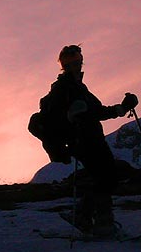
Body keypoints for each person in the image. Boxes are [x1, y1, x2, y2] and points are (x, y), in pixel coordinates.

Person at [45, 45, 137, 236]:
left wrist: (121, 108)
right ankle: (101, 222)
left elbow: (97, 111)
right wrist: (71, 118)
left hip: (92, 137)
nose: (73, 66)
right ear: (63, 65)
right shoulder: (63, 88)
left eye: (76, 62)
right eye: (68, 63)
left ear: (80, 61)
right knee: (107, 177)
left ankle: (84, 216)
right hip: (82, 139)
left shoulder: (80, 88)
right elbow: (54, 115)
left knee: (105, 177)